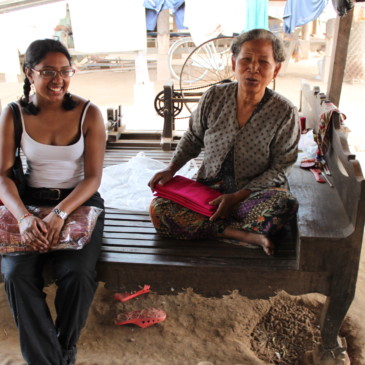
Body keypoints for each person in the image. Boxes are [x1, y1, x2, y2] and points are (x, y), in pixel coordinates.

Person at [0, 39, 106, 365]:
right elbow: (3, 176)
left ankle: (63, 348)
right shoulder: (13, 114)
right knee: (16, 274)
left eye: (65, 71)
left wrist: (60, 213)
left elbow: (93, 178)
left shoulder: (89, 113)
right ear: (29, 73)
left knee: (77, 273)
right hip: (28, 203)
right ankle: (55, 359)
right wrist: (24, 218)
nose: (58, 80)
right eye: (48, 72)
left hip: (78, 202)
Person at [149, 29, 300, 256]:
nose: (253, 68)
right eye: (246, 59)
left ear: (276, 69)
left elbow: (281, 166)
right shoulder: (214, 96)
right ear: (233, 62)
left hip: (251, 194)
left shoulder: (284, 111)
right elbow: (192, 137)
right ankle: (239, 234)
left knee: (284, 203)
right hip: (209, 190)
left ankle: (215, 226)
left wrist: (237, 197)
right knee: (159, 209)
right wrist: (171, 169)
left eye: (263, 62)